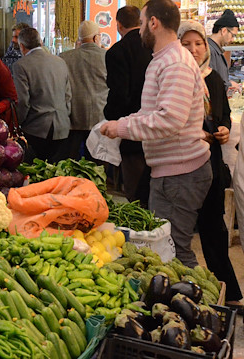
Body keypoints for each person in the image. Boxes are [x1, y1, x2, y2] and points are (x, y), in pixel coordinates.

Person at [101, 0, 212, 267]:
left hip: (181, 175)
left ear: (154, 23)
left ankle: (195, 305)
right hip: (168, 173)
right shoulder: (162, 60)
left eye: (142, 22)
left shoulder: (175, 63)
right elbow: (152, 111)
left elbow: (169, 120)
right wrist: (122, 123)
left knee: (175, 252)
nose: (139, 30)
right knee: (165, 248)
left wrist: (121, 128)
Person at [178, 20, 244, 312]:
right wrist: (197, 132)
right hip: (181, 165)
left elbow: (225, 116)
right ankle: (181, 294)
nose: (194, 49)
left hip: (210, 163)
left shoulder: (214, 79)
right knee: (179, 233)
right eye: (186, 44)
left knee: (213, 227)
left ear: (206, 46)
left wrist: (223, 130)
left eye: (199, 43)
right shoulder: (176, 77)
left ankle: (227, 291)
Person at [104, 5, 153, 207]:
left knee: (135, 191)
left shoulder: (117, 51)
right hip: (156, 128)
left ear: (118, 25)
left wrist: (112, 119)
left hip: (131, 130)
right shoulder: (153, 47)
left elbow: (119, 94)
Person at [13, 27, 71, 163]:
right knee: (56, 174)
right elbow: (68, 96)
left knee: (36, 173)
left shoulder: (21, 65)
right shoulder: (60, 61)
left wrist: (19, 123)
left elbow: (23, 101)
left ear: (22, 46)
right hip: (62, 127)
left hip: (36, 128)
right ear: (40, 42)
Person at [59, 21, 107, 160]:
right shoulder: (106, 56)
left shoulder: (64, 57)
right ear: (96, 38)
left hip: (73, 117)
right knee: (96, 164)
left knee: (71, 163)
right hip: (99, 117)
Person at [209, 9, 239, 90]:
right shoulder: (210, 50)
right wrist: (229, 84)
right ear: (224, 31)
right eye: (233, 35)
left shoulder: (216, 50)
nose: (233, 40)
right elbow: (210, 82)